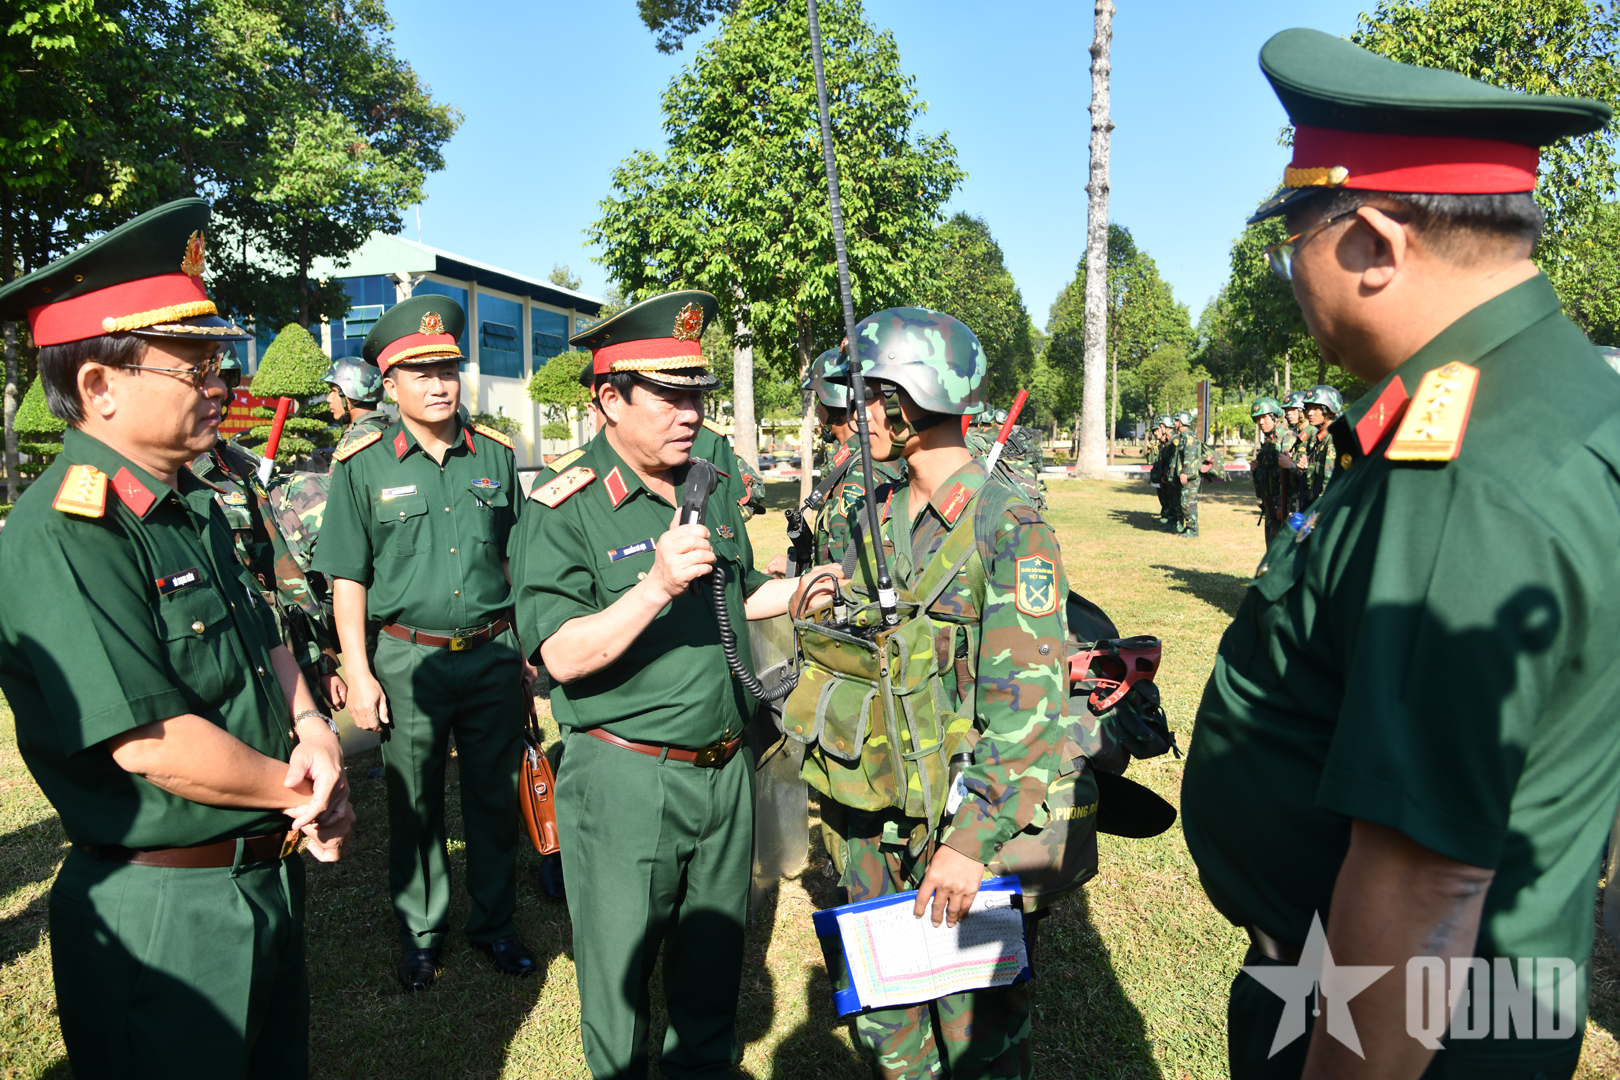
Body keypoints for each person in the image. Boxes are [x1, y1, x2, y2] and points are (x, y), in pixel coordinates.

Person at [1180, 27, 1620, 1080]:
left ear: (1375, 244)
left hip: (1386, 1025)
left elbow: (1424, 879)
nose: (1287, 271)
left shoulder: (1468, 467)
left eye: (1294, 239)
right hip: (1460, 1009)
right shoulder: (1556, 397)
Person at [0, 197, 352, 1077]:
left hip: (259, 874)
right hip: (163, 909)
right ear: (99, 387)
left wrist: (314, 731)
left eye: (217, 363)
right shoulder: (66, 531)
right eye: (193, 367)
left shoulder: (192, 502)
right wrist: (303, 792)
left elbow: (266, 638)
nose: (220, 385)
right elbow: (149, 743)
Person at [510, 289, 837, 1080]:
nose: (691, 414)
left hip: (724, 770)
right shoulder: (563, 505)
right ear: (608, 398)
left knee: (712, 973)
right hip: (627, 778)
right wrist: (653, 586)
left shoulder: (708, 481)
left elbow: (735, 592)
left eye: (699, 396)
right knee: (620, 981)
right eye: (669, 397)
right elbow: (559, 654)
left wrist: (802, 590)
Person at [823, 306, 1071, 1080]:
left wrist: (970, 844)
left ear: (913, 400)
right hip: (871, 822)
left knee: (979, 1041)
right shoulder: (868, 517)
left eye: (870, 396)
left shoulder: (1009, 527)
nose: (855, 412)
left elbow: (1029, 711)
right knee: (889, 1031)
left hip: (963, 833)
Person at [314, 294, 536, 991]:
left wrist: (528, 650)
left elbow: (518, 563)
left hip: (493, 653)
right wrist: (359, 670)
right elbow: (347, 577)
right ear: (389, 384)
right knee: (416, 804)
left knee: (494, 798)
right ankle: (421, 933)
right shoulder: (362, 464)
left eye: (448, 370)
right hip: (407, 660)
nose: (440, 385)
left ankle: (494, 924)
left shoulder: (496, 455)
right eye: (421, 374)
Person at [190, 386, 347, 714]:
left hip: (276, 652)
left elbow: (282, 570)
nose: (219, 390)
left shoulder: (233, 462)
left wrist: (322, 660)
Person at [802, 345, 904, 565]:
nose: (817, 410)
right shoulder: (851, 461)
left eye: (820, 400)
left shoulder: (861, 469)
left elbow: (843, 563)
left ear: (835, 403)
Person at [325, 356, 391, 455]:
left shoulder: (355, 439)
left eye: (334, 391)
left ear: (354, 397)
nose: (329, 399)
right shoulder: (389, 428)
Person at [1249, 396, 1287, 544]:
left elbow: (1287, 476)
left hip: (1280, 506)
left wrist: (1282, 504)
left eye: (1264, 417)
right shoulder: (1270, 439)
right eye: (1258, 419)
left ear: (1275, 416)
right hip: (1270, 505)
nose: (1261, 422)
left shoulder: (1286, 438)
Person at [1171, 410, 1214, 538]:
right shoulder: (1183, 436)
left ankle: (1193, 530)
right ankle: (1189, 527)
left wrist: (1184, 473)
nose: (1175, 423)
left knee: (1188, 502)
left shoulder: (1189, 437)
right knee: (1186, 501)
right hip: (1188, 474)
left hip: (1190, 475)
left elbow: (1189, 457)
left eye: (1177, 421)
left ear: (1182, 422)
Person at [1300, 383, 1343, 507]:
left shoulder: (1332, 440)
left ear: (1329, 411)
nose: (1310, 413)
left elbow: (1329, 485)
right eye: (1309, 408)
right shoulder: (1319, 439)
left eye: (1315, 408)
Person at [1150, 415, 1178, 525]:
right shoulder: (1162, 444)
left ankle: (1171, 518)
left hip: (1170, 476)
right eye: (1154, 431)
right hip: (1163, 476)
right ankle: (1166, 515)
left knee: (1171, 499)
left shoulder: (1171, 441)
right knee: (1164, 497)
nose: (1156, 433)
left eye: (1158, 429)